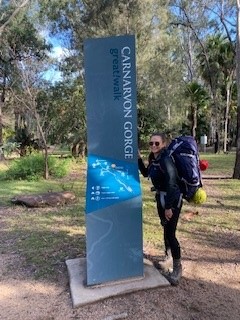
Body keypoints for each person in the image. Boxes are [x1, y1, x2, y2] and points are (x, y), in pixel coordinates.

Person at [138, 132, 183, 285]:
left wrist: (169, 207)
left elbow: (171, 183)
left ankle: (177, 269)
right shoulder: (153, 159)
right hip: (160, 198)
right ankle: (168, 258)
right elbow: (146, 173)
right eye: (151, 143)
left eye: (157, 143)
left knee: (171, 233)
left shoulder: (166, 160)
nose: (153, 146)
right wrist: (138, 159)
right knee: (165, 228)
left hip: (171, 199)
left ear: (163, 144)